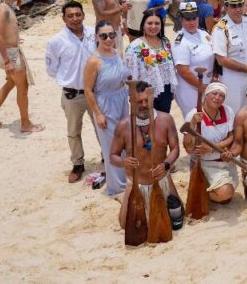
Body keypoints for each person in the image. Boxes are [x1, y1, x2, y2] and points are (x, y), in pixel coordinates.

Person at [111, 80, 180, 228]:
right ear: (130, 101)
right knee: (125, 225)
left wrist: (165, 164)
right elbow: (112, 156)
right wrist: (123, 162)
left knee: (177, 216)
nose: (143, 105)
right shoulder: (123, 126)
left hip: (162, 180)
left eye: (146, 101)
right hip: (136, 184)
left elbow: (175, 149)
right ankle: (126, 198)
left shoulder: (166, 120)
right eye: (138, 101)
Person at [44, 1, 96, 182]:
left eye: (78, 14)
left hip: (96, 92)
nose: (75, 18)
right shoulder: (56, 41)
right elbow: (51, 69)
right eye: (70, 16)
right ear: (63, 18)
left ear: (83, 15)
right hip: (72, 94)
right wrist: (70, 79)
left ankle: (108, 157)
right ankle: (78, 163)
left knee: (102, 127)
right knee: (73, 131)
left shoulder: (94, 34)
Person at [0, 0, 42, 133]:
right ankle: (26, 124)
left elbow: (6, 31)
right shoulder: (2, 9)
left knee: (11, 83)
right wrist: (7, 61)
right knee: (22, 87)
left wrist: (15, 38)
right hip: (9, 53)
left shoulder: (6, 7)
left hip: (11, 49)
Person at [83, 20, 130, 196]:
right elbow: (88, 90)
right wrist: (98, 114)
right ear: (96, 37)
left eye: (112, 35)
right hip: (105, 104)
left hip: (122, 100)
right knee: (112, 146)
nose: (109, 39)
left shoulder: (117, 53)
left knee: (126, 142)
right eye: (104, 36)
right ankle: (117, 187)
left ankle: (128, 179)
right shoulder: (94, 61)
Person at [181, 81, 237, 203]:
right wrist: (192, 123)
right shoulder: (193, 115)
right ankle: (199, 190)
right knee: (226, 193)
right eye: (214, 93)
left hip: (225, 161)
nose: (217, 98)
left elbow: (231, 137)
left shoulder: (228, 110)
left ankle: (203, 187)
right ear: (206, 95)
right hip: (206, 163)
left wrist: (212, 148)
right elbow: (188, 147)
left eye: (221, 95)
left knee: (227, 198)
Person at [211, 0, 247, 115]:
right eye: (233, 6)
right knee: (235, 111)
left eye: (240, 5)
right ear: (226, 7)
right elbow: (221, 59)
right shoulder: (221, 28)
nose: (238, 9)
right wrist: (246, 68)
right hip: (233, 78)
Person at [124, 11, 177, 114]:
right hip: (143, 94)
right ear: (143, 25)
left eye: (157, 23)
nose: (153, 26)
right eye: (150, 23)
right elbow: (129, 74)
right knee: (145, 126)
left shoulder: (165, 42)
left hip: (165, 92)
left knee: (162, 123)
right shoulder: (134, 47)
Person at [171, 1, 216, 118]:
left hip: (207, 85)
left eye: (194, 18)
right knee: (194, 122)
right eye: (187, 19)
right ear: (181, 19)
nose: (191, 22)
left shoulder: (203, 33)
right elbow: (183, 70)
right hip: (190, 89)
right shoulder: (180, 41)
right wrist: (202, 87)